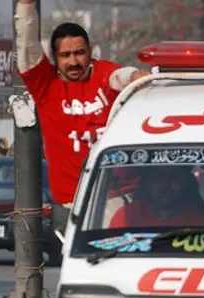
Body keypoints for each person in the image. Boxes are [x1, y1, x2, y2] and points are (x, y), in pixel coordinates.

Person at [14, 0, 150, 236]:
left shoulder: (103, 72)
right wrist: (26, 6)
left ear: (90, 51)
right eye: (65, 55)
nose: (74, 62)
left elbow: (118, 76)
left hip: (116, 200)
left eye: (79, 53)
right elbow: (27, 47)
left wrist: (135, 76)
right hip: (70, 203)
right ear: (55, 58)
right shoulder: (46, 87)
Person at [109, 167, 204, 228]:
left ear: (184, 182)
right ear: (148, 181)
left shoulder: (197, 220)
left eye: (174, 177)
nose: (166, 183)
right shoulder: (127, 216)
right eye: (159, 176)